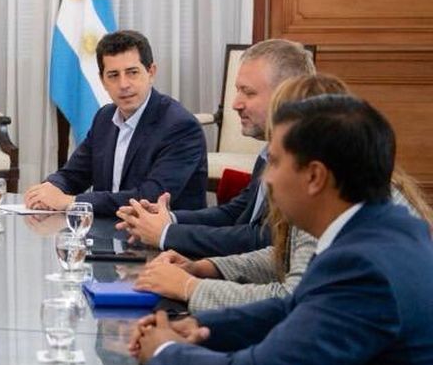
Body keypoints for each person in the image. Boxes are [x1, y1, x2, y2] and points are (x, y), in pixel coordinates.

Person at [130, 95, 433, 365]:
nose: (266, 180)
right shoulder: (388, 229)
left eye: (273, 163)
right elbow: (294, 308)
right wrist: (195, 326)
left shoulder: (364, 266)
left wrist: (165, 352)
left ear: (314, 176)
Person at [134, 74, 433, 310]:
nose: (270, 173)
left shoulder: (339, 202)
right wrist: (206, 267)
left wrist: (189, 289)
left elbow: (292, 302)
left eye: (276, 158)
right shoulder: (337, 189)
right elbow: (281, 256)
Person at [116, 38, 315, 257]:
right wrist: (168, 219)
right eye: (237, 90)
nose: (235, 104)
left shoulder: (304, 161)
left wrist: (167, 234)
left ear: (286, 94)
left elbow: (263, 240)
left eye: (248, 93)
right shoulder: (269, 150)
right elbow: (236, 213)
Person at [24, 30, 207, 217]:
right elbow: (73, 174)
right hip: (108, 234)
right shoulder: (104, 118)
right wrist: (49, 189)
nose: (123, 84)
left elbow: (149, 197)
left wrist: (71, 202)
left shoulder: (181, 127)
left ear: (151, 72)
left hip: (166, 241)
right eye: (113, 75)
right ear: (102, 81)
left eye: (132, 72)